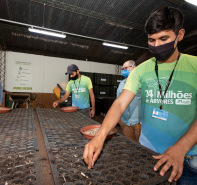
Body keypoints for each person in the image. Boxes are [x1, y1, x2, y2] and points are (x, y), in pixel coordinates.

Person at [83, 6, 197, 185]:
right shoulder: (141, 70)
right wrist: (100, 134)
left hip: (190, 158)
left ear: (180, 35)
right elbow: (121, 103)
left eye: (163, 38)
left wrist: (180, 148)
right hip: (148, 153)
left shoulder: (195, 66)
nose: (157, 46)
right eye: (151, 40)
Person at [117, 60, 141, 142]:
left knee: (142, 146)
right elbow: (118, 101)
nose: (124, 70)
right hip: (125, 121)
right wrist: (119, 118)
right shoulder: (122, 83)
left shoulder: (142, 82)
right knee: (130, 143)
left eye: (126, 68)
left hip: (139, 122)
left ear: (133, 68)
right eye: (122, 69)